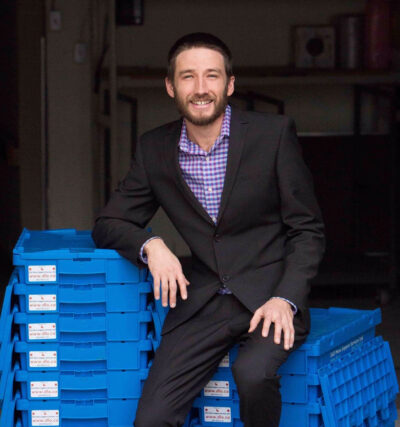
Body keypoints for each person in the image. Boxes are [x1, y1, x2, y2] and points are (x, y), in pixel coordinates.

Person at [92, 32, 325, 427]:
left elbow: (308, 230)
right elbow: (108, 223)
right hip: (201, 302)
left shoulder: (272, 135)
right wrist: (152, 244)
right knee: (151, 419)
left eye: (212, 76)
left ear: (229, 84)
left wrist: (286, 298)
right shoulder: (155, 149)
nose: (201, 89)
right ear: (170, 86)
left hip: (270, 295)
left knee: (252, 373)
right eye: (188, 77)